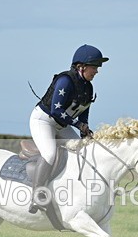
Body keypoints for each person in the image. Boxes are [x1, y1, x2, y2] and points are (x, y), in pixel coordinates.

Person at [28, 44, 108, 213]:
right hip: (43, 121)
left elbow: (83, 114)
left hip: (62, 125)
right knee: (49, 153)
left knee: (82, 151)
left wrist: (84, 132)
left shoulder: (88, 87)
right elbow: (55, 111)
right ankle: (37, 195)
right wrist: (78, 125)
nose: (96, 71)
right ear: (82, 66)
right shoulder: (65, 81)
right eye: (94, 67)